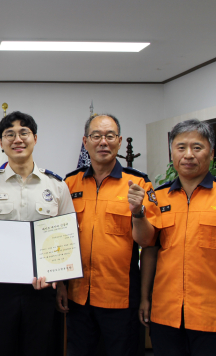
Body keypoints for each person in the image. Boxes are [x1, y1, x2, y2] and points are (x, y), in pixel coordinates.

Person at [0, 111, 75, 355]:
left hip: (42, 286)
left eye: (24, 133)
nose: (17, 139)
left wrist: (60, 281)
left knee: (38, 349)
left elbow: (66, 239)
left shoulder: (56, 185)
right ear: (1, 143)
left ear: (35, 138)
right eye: (9, 134)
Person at [62, 113, 159, 356]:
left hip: (120, 299)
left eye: (109, 136)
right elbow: (58, 237)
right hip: (78, 297)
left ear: (119, 141)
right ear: (85, 142)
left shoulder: (138, 183)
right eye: (96, 136)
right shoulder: (70, 183)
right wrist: (61, 286)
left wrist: (138, 212)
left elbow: (148, 241)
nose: (103, 142)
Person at [143, 119, 216, 355]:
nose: (188, 155)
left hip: (210, 314)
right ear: (172, 153)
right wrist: (145, 298)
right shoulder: (158, 197)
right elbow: (150, 250)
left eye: (197, 147)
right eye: (181, 147)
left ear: (211, 153)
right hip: (166, 313)